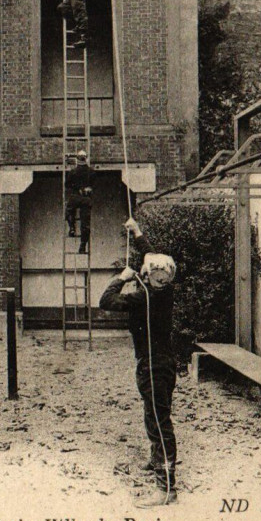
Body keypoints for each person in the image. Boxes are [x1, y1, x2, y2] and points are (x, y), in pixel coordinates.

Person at [99, 215, 178, 505]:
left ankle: (166, 488)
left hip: (153, 367)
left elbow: (105, 301)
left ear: (145, 275)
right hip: (163, 364)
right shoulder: (165, 290)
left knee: (159, 422)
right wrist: (138, 233)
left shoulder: (140, 298)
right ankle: (157, 461)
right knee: (153, 415)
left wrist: (122, 277)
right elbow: (152, 256)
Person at [64, 150, 94, 253]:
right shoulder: (91, 171)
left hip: (76, 196)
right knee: (85, 223)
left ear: (77, 159)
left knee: (69, 211)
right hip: (86, 198)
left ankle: (72, 227)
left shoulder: (73, 171)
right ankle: (83, 245)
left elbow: (67, 185)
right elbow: (93, 184)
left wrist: (76, 187)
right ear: (86, 159)